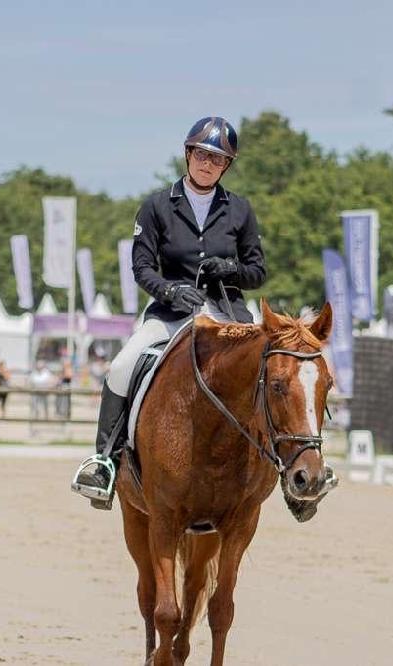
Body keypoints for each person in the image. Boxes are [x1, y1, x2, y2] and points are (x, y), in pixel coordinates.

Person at [71, 116, 266, 510]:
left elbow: (257, 271)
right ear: (187, 154)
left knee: (276, 368)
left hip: (226, 312)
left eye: (217, 159)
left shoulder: (240, 211)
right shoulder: (157, 206)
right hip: (171, 311)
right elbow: (142, 267)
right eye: (201, 155)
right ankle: (104, 463)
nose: (207, 164)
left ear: (226, 166)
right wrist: (170, 290)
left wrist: (229, 270)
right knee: (122, 366)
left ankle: (290, 468)